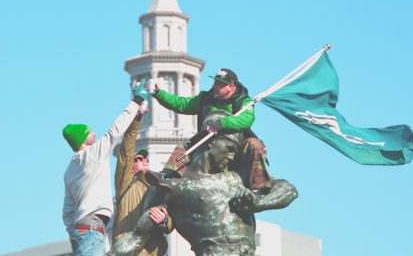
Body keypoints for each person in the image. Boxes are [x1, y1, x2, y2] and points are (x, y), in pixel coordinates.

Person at [107, 111, 298, 256]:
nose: (232, 156)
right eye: (229, 148)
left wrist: (260, 203)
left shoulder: (240, 176)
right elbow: (137, 237)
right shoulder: (173, 188)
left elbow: (289, 190)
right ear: (210, 142)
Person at [149, 68, 271, 193]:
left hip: (236, 143)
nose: (214, 87)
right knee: (184, 147)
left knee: (255, 145)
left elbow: (246, 119)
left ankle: (260, 188)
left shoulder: (243, 101)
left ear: (230, 86)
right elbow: (181, 104)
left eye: (219, 84)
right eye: (214, 82)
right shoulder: (205, 98)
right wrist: (159, 94)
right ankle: (168, 177)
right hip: (206, 140)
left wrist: (221, 124)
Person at [62, 79, 148, 256]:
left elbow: (68, 211)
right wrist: (137, 101)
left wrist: (75, 232)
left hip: (81, 231)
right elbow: (114, 131)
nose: (94, 133)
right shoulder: (93, 155)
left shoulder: (70, 169)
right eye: (89, 132)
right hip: (92, 229)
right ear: (82, 139)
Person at [112, 105, 170, 255]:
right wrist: (137, 120)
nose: (144, 159)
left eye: (145, 158)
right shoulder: (126, 184)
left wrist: (165, 221)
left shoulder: (159, 187)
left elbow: (172, 221)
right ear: (130, 168)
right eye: (138, 159)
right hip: (129, 250)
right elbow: (126, 149)